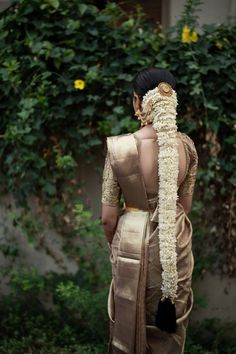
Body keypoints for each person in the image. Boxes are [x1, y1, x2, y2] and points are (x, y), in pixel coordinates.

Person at [101, 67, 198, 354]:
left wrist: (115, 245)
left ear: (137, 100)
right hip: (175, 241)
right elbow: (185, 206)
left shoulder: (120, 148)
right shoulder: (188, 147)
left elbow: (108, 218)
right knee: (169, 326)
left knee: (131, 318)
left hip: (132, 240)